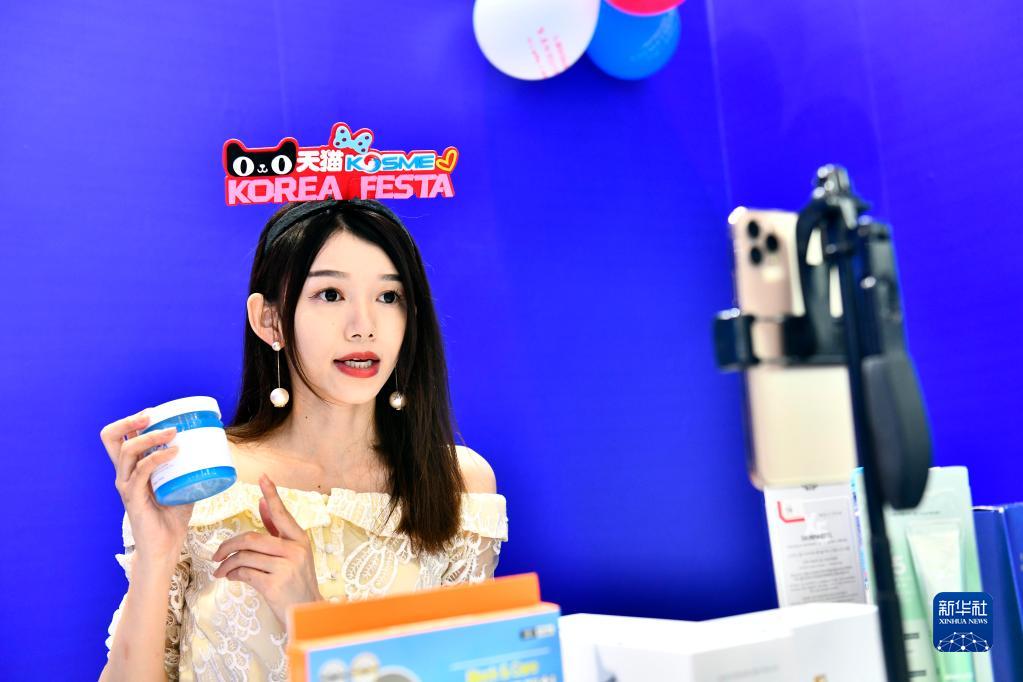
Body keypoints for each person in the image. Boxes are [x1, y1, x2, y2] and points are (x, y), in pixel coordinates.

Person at [98, 199, 508, 681]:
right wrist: (156, 555)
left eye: (388, 296)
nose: (364, 326)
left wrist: (309, 617)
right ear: (269, 320)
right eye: (330, 294)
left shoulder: (456, 485)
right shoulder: (204, 481)